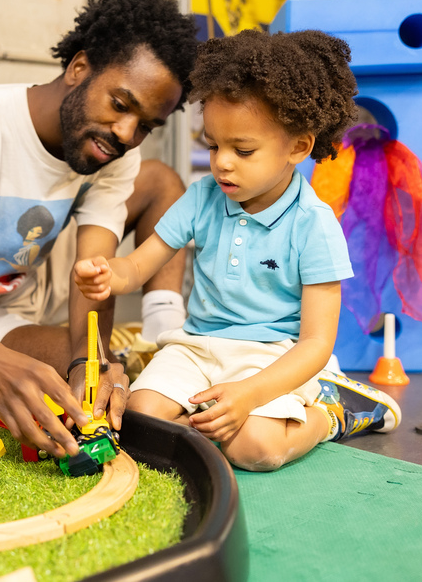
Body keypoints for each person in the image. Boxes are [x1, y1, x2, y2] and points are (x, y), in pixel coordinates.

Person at [0, 0, 198, 458]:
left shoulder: (115, 149)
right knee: (61, 371)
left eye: (147, 126)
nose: (126, 134)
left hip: (36, 275)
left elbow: (94, 273)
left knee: (160, 183)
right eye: (120, 104)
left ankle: (163, 331)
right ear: (78, 68)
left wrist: (88, 359)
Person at [73, 28, 402, 472]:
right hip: (197, 347)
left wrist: (250, 393)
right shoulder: (202, 196)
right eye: (212, 145)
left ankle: (331, 412)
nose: (222, 162)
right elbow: (137, 265)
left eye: (243, 150)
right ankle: (218, 414)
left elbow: (316, 343)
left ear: (299, 146)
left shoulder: (314, 223)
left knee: (258, 450)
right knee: (141, 423)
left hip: (272, 358)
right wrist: (109, 274)